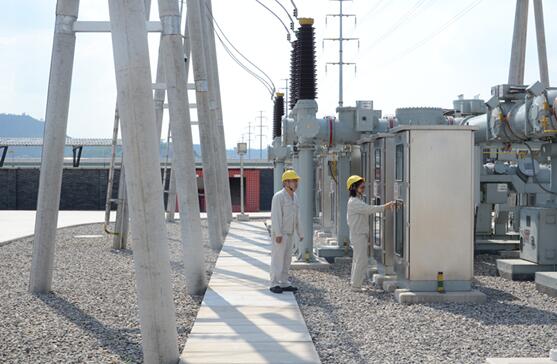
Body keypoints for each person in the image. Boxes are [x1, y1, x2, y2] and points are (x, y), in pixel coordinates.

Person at [346, 175, 395, 291]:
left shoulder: (356, 200)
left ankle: (354, 283)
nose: (363, 189)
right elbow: (369, 209)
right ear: (353, 187)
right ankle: (356, 286)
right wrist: (385, 207)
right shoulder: (354, 202)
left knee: (357, 259)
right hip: (358, 235)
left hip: (359, 234)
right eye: (361, 187)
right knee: (361, 260)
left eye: (363, 187)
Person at [269, 169, 304, 294]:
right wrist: (278, 234)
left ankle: (284, 282)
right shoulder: (278, 197)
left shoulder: (295, 197)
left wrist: (300, 233)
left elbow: (297, 216)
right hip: (281, 233)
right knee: (277, 258)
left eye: (296, 181)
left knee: (287, 258)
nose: (296, 183)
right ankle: (274, 283)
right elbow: (276, 216)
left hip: (290, 233)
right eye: (293, 181)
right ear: (286, 182)